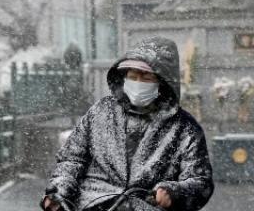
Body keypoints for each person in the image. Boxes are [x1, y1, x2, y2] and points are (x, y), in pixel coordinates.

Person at [41, 37, 214, 211]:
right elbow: (71, 159)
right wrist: (58, 193)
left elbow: (200, 181)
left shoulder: (184, 127)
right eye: (132, 76)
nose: (138, 82)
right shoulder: (100, 112)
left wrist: (174, 192)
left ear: (163, 82)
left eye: (146, 77)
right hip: (92, 205)